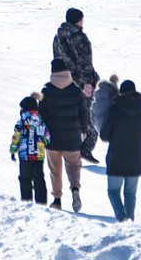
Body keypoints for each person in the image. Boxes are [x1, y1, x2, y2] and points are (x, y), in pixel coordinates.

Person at [38, 58, 89, 212]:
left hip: (53, 139)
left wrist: (42, 134)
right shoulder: (75, 91)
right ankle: (75, 189)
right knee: (74, 166)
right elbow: (84, 112)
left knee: (55, 170)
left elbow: (42, 116)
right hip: (72, 138)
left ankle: (57, 200)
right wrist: (83, 129)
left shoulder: (46, 91)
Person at [100, 79, 141, 223]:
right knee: (130, 193)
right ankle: (130, 223)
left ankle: (121, 217)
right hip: (136, 158)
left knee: (113, 191)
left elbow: (104, 135)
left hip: (116, 158)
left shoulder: (114, 110)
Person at [53, 7, 101, 162]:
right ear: (78, 20)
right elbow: (84, 61)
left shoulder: (58, 36)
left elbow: (57, 60)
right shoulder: (78, 37)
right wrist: (87, 83)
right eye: (81, 19)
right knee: (84, 115)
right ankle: (84, 148)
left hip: (62, 82)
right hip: (79, 82)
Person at [10, 94, 50, 205]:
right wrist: (45, 143)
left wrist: (13, 149)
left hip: (25, 155)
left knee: (25, 178)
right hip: (38, 155)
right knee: (39, 178)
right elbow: (47, 137)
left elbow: (16, 136)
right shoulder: (41, 121)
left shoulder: (21, 122)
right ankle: (41, 202)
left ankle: (26, 201)